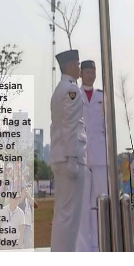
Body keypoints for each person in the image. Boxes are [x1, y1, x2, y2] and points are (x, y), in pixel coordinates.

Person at [49, 49, 88, 252]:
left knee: (62, 216)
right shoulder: (72, 90)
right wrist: (73, 157)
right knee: (69, 219)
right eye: (78, 64)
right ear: (71, 66)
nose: (80, 68)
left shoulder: (59, 89)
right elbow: (71, 126)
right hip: (70, 158)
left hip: (60, 156)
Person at [75, 59, 107, 251]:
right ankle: (83, 248)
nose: (91, 75)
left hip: (101, 157)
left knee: (100, 202)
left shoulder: (103, 96)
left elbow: (108, 126)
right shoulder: (74, 95)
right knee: (82, 205)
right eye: (87, 72)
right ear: (81, 74)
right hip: (81, 156)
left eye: (93, 72)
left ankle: (99, 244)